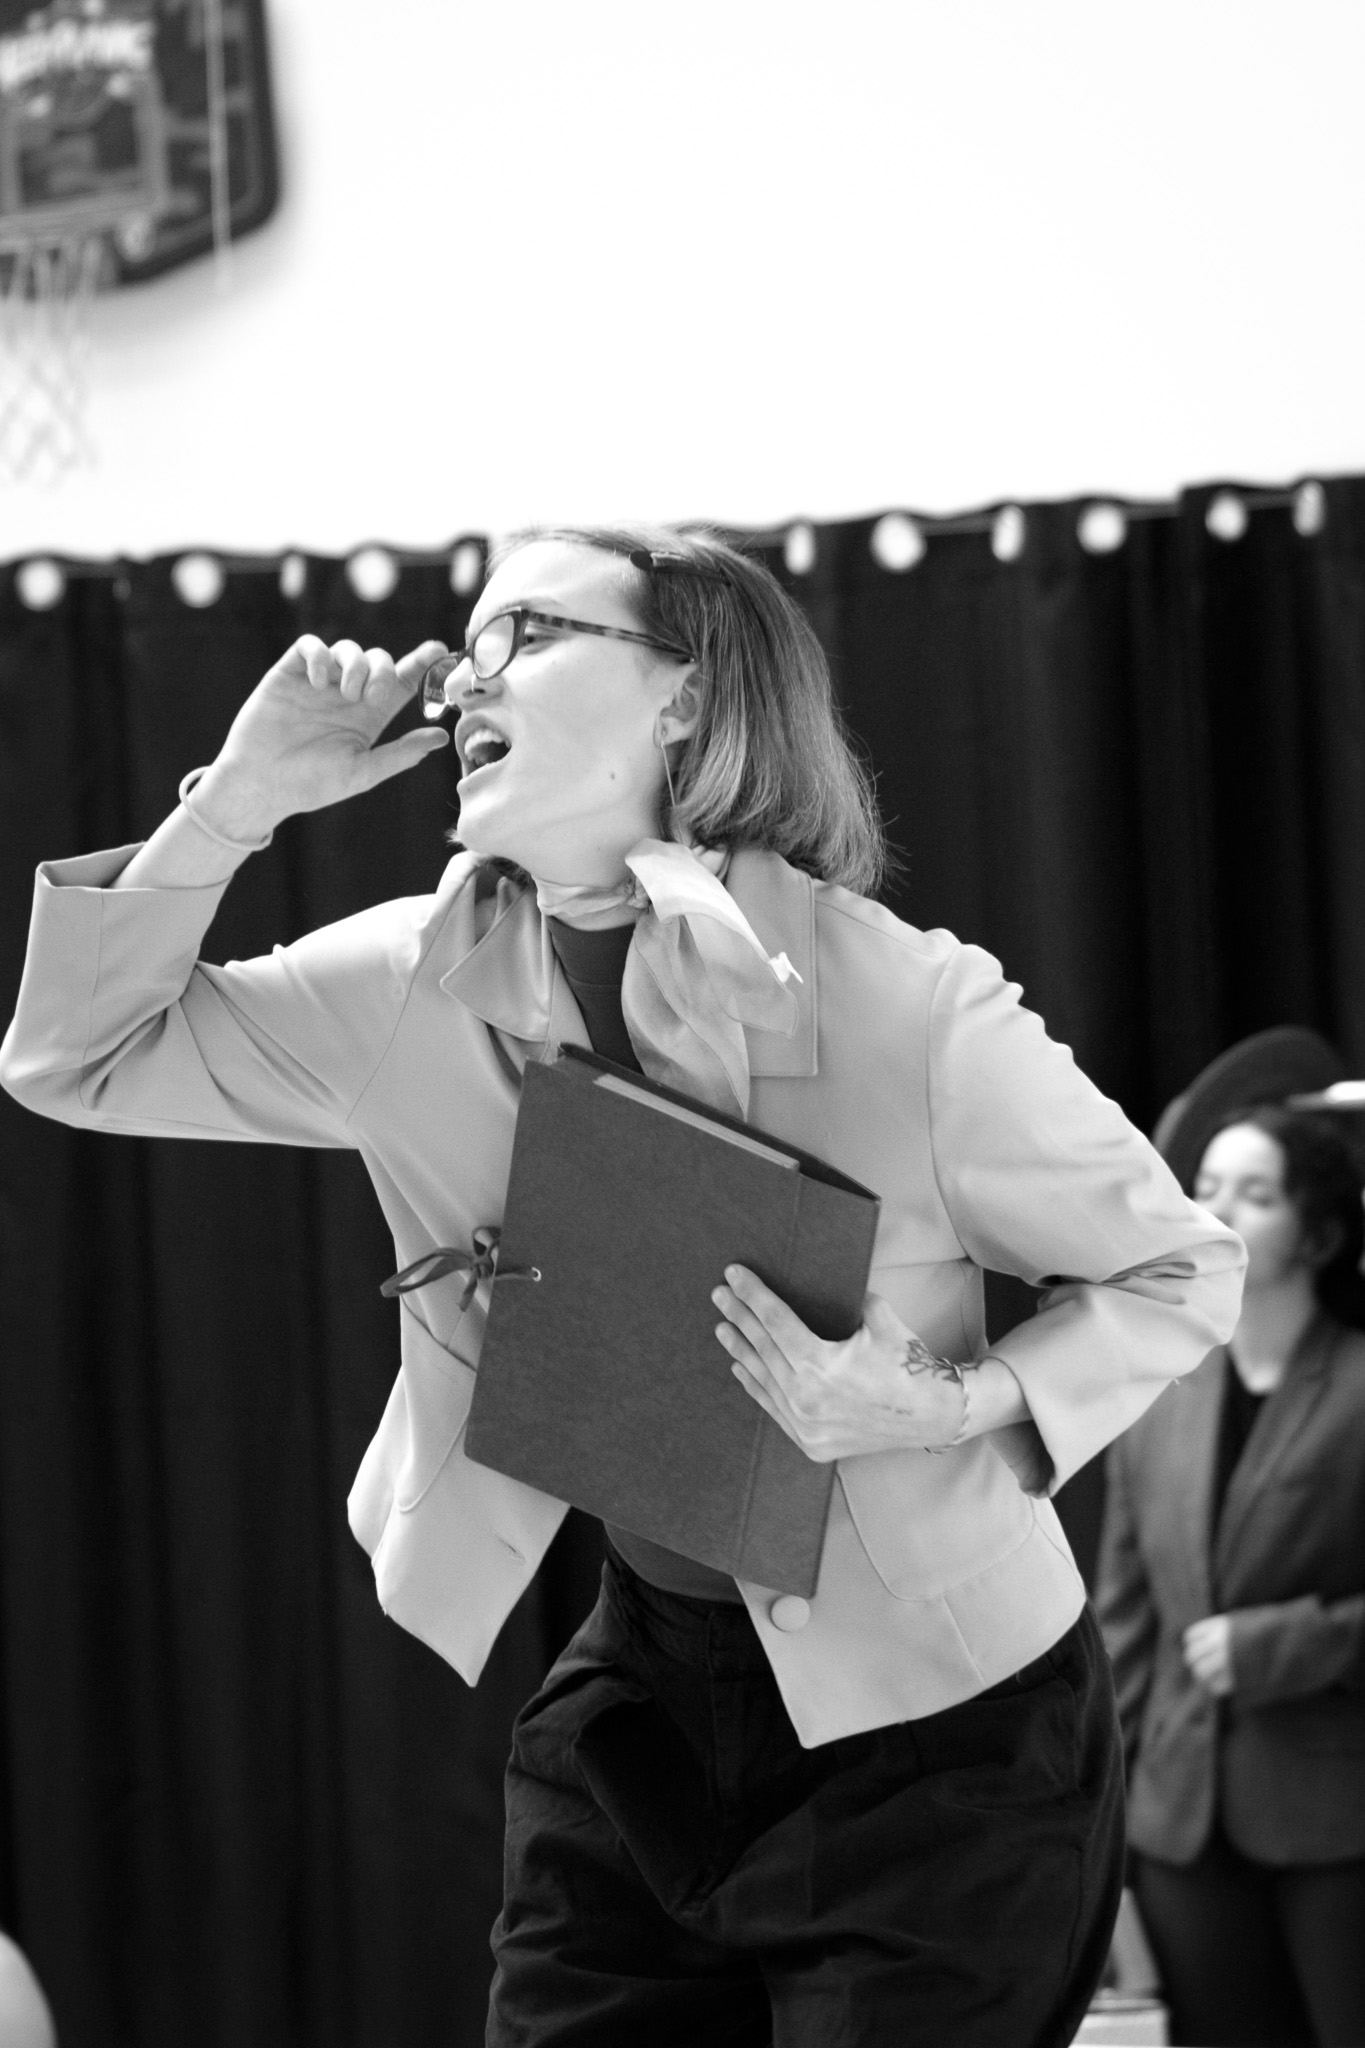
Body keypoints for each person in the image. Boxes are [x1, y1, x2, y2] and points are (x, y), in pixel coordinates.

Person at [0, 525, 1244, 2047]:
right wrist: (237, 800)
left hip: (954, 1737)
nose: (465, 679)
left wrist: (943, 1398)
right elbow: (75, 1057)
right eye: (469, 644)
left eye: (524, 633)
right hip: (646, 1701)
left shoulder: (906, 1003)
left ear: (684, 695)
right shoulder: (408, 984)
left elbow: (1185, 1265)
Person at [1097, 1101, 1365, 2047]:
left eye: (1255, 1194)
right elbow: (1122, 1626)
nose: (1216, 1209)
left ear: (1317, 1232)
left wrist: (1290, 1644)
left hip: (1338, 1819)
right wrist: (1102, 1830)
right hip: (1179, 1824)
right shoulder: (1158, 1391)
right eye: (1205, 1186)